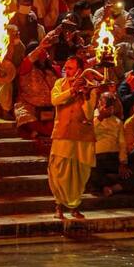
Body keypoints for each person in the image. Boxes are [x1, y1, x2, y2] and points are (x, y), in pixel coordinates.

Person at [48, 57, 101, 220]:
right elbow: (55, 100)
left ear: (79, 70)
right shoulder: (60, 83)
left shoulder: (91, 88)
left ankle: (75, 206)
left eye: (70, 68)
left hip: (82, 137)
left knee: (80, 173)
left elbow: (90, 114)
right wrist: (71, 91)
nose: (67, 71)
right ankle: (58, 206)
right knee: (58, 171)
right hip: (62, 134)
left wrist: (84, 95)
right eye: (66, 67)